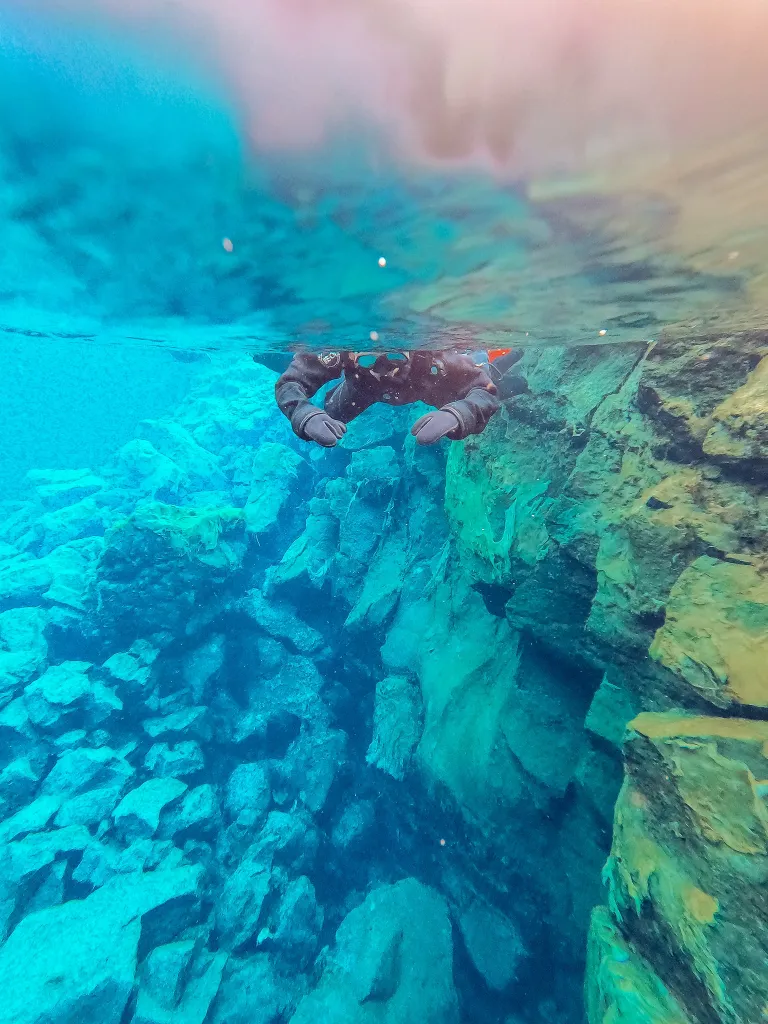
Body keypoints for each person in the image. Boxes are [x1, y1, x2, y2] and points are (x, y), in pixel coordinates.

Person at [272, 350, 521, 448]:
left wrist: (458, 414)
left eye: (393, 358)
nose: (383, 373)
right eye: (369, 361)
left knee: (489, 387)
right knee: (331, 413)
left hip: (424, 385)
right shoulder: (340, 350)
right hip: (361, 389)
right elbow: (291, 383)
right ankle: (286, 359)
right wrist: (304, 414)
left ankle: (492, 366)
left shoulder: (435, 357)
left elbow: (480, 390)